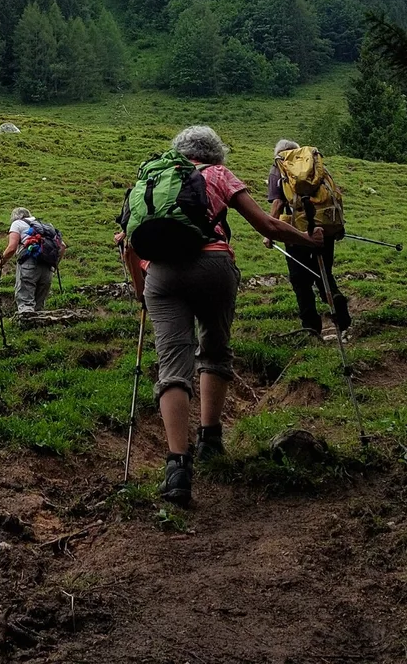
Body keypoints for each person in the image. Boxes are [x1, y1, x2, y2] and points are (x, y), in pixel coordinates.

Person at [122, 125, 315, 507]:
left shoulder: (155, 179)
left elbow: (130, 243)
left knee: (171, 366)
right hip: (213, 265)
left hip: (161, 273)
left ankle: (177, 467)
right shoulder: (219, 174)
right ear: (217, 153)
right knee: (214, 349)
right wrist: (310, 241)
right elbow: (267, 224)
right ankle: (210, 439)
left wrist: (144, 292)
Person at [266, 138, 351, 343]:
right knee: (324, 273)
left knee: (300, 280)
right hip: (324, 229)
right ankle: (342, 317)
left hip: (297, 233)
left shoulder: (279, 169)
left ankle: (311, 328)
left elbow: (278, 203)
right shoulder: (315, 164)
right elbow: (334, 195)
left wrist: (269, 233)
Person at [0, 206, 56, 316]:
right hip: (47, 266)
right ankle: (39, 329)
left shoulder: (17, 224)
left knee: (26, 302)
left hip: (29, 264)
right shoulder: (43, 225)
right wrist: (54, 266)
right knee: (39, 305)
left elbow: (12, 248)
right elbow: (62, 246)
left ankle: (26, 327)